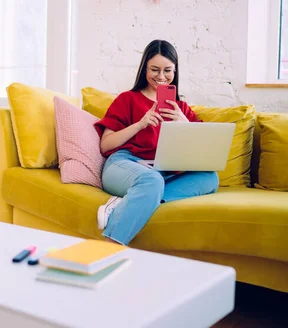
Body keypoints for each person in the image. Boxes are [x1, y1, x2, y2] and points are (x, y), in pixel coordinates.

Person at [93, 39, 219, 246]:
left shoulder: (181, 108)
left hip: (163, 170)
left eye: (167, 70)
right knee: (151, 181)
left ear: (175, 71)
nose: (161, 77)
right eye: (154, 69)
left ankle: (127, 203)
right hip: (125, 164)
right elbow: (105, 145)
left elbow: (202, 151)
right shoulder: (127, 99)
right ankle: (109, 247)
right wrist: (140, 124)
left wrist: (185, 123)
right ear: (144, 69)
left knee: (210, 178)